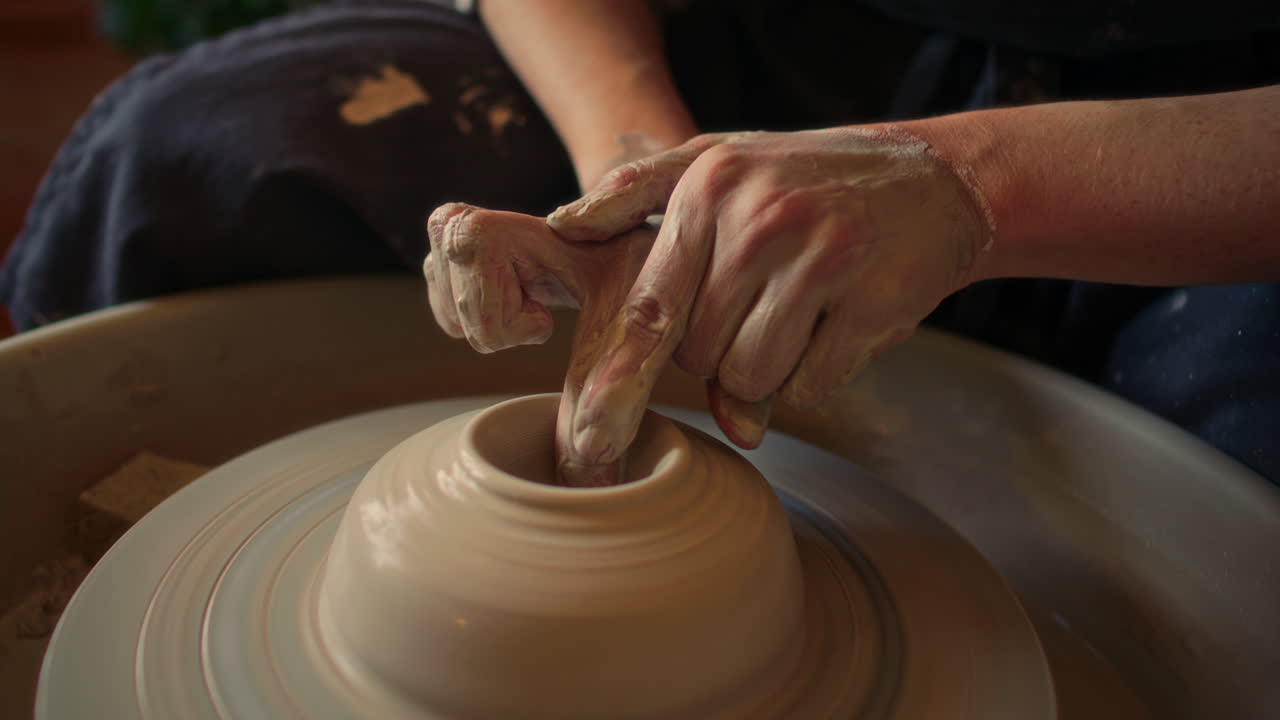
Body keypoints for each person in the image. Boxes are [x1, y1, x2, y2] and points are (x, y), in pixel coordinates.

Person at [3, 0, 1278, 479]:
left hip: (1204, 135)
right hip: (765, 41)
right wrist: (630, 170)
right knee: (190, 156)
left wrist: (972, 184)